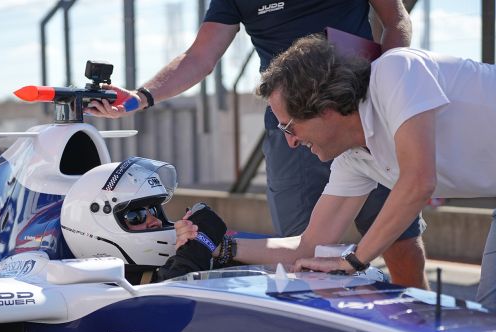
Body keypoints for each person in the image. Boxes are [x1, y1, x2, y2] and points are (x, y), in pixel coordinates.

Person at [88, 0, 427, 289]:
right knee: (305, 257)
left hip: (359, 112)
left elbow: (396, 20)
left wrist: (382, 91)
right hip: (292, 123)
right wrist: (140, 96)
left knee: (401, 242)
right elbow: (201, 55)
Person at [176, 34, 496, 310]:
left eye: (289, 127)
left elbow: (418, 181)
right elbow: (308, 246)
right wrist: (219, 245)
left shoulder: (396, 71)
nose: (290, 142)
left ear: (324, 109)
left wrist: (354, 260)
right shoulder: (354, 159)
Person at [60, 156, 227, 284]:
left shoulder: (159, 272)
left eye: (154, 210)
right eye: (136, 216)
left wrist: (219, 247)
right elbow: (169, 304)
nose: (156, 221)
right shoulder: (92, 291)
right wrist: (192, 256)